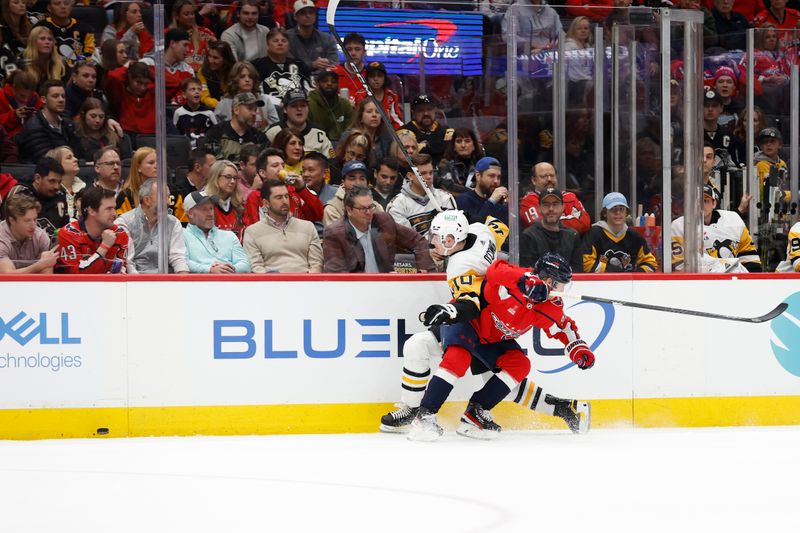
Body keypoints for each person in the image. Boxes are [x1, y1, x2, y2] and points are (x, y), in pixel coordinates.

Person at [408, 253, 594, 441]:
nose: (563, 290)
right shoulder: (517, 280)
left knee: (520, 364)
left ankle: (475, 412)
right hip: (468, 321)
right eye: (562, 284)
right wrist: (524, 281)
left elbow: (563, 327)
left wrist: (577, 348)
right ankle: (424, 416)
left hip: (492, 340)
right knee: (458, 358)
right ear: (548, 281)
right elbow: (494, 271)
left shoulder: (550, 306)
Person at [379, 209, 509, 433]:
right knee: (415, 345)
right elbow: (499, 224)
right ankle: (412, 408)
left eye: (437, 238)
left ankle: (434, 413)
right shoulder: (481, 231)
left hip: (482, 324)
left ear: (451, 240)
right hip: (487, 315)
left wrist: (448, 310)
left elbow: (469, 305)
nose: (432, 243)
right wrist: (460, 214)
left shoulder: (460, 266)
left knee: (496, 373)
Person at [323, 186, 435, 273]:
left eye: (371, 207)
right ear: (349, 210)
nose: (369, 213)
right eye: (363, 209)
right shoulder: (335, 234)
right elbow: (337, 275)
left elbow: (418, 241)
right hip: (356, 291)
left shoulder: (383, 221)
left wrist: (423, 271)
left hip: (388, 286)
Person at [672, 184, 762, 273]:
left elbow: (750, 259)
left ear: (714, 203)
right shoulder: (678, 226)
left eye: (705, 201)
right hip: (698, 284)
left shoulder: (733, 221)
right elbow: (678, 268)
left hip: (731, 283)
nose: (700, 205)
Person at [243, 178, 323, 273]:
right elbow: (256, 267)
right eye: (279, 197)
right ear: (266, 203)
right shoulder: (252, 232)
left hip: (305, 283)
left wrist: (305, 283)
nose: (285, 201)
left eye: (286, 196)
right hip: (272, 285)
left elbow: (317, 264)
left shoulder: (308, 227)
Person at [114, 178, 189, 274]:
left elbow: (178, 256)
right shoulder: (125, 223)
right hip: (137, 280)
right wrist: (141, 284)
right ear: (147, 200)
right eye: (164, 197)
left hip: (166, 280)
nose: (168, 202)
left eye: (168, 197)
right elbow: (128, 263)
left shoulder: (173, 222)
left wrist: (183, 278)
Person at [243, 147, 324, 227]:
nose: (281, 169)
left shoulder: (294, 191)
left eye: (283, 165)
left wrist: (302, 189)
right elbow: (253, 229)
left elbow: (319, 215)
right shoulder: (255, 196)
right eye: (275, 166)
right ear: (262, 173)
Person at [56, 186, 128, 274]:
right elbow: (76, 276)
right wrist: (104, 247)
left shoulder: (120, 233)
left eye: (114, 208)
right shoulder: (68, 234)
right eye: (109, 209)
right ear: (92, 211)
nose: (115, 214)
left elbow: (119, 273)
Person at [583, 192, 658, 273]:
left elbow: (651, 263)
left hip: (629, 284)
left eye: (621, 209)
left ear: (626, 213)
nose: (618, 213)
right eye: (613, 209)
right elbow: (586, 264)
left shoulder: (635, 237)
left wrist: (637, 274)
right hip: (600, 284)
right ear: (605, 213)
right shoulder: (594, 233)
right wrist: (613, 273)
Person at [387, 153, 456, 237]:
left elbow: (454, 229)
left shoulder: (444, 197)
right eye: (423, 173)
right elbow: (406, 239)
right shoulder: (397, 205)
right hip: (414, 249)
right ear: (410, 176)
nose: (429, 177)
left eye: (431, 172)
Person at [183, 190, 251, 273]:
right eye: (204, 209)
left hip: (230, 282)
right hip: (199, 284)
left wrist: (228, 270)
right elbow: (182, 262)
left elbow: (245, 264)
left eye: (211, 208)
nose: (210, 213)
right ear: (190, 213)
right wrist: (209, 269)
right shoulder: (182, 235)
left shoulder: (229, 236)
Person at [519, 188, 583, 272]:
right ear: (539, 207)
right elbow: (528, 274)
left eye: (555, 204)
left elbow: (578, 273)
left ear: (563, 207)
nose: (551, 209)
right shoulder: (529, 236)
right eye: (546, 204)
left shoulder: (572, 235)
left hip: (568, 284)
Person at [8, 156, 68, 244]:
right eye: (52, 181)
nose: (56, 187)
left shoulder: (60, 196)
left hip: (54, 248)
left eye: (59, 182)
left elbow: (65, 227)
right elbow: (7, 227)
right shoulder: (20, 193)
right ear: (37, 178)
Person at [520, 162, 591, 233]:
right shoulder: (528, 200)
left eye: (552, 175)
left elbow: (585, 223)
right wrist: (570, 217)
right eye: (544, 176)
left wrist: (553, 221)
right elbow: (541, 227)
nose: (549, 179)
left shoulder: (569, 197)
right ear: (534, 180)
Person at [17, 79, 76, 163]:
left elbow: (78, 152)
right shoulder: (34, 126)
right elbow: (46, 160)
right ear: (43, 100)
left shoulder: (67, 123)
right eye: (55, 96)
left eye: (63, 96)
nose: (61, 100)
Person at [201, 92, 268, 163]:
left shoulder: (258, 136)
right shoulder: (216, 133)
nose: (254, 113)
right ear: (236, 110)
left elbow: (264, 163)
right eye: (250, 108)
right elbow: (211, 164)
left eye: (255, 109)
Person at [252, 27, 312, 107]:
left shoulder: (299, 64)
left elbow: (309, 91)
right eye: (275, 41)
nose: (280, 43)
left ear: (289, 45)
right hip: (269, 108)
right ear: (268, 45)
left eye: (284, 41)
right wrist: (279, 103)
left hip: (296, 108)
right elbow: (255, 93)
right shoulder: (257, 65)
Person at [0, 193, 58, 273]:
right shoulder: (1, 239)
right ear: (12, 220)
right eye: (27, 221)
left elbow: (46, 277)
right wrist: (39, 265)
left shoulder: (40, 237)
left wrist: (44, 265)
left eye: (35, 219)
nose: (33, 225)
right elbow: (8, 278)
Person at [266, 88, 334, 157]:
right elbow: (263, 161)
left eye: (303, 105)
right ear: (285, 109)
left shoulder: (319, 132)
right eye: (294, 106)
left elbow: (331, 160)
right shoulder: (273, 131)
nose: (299, 109)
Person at [212, 61, 278, 130]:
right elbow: (217, 130)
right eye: (242, 77)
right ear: (235, 79)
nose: (247, 80)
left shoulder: (264, 100)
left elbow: (275, 129)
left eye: (250, 77)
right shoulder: (224, 103)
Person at [140, 28, 195, 105]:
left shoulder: (188, 70)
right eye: (185, 45)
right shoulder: (146, 63)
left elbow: (189, 99)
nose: (188, 49)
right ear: (172, 43)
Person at [322, 159, 384, 227]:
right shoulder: (333, 209)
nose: (357, 183)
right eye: (352, 178)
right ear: (343, 182)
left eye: (362, 179)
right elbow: (337, 236)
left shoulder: (376, 207)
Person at [286, 0, 338, 74]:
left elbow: (335, 64)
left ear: (315, 15)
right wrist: (312, 65)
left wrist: (326, 65)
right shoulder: (286, 38)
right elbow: (287, 65)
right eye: (303, 13)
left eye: (311, 12)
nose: (308, 15)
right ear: (295, 17)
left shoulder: (327, 38)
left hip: (322, 82)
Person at [104, 61, 156, 135]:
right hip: (128, 135)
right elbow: (113, 76)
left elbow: (163, 79)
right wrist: (126, 67)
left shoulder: (151, 91)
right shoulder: (121, 93)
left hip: (152, 136)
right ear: (130, 77)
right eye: (139, 82)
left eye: (146, 84)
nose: (142, 88)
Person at [455, 156, 509, 227]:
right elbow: (475, 226)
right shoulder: (464, 199)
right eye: (491, 176)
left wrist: (510, 207)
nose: (496, 181)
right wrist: (492, 201)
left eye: (498, 177)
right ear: (478, 176)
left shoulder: (501, 204)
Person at [402, 94, 453, 167]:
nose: (426, 113)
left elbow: (451, 149)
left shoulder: (446, 130)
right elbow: (412, 154)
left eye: (429, 109)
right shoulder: (405, 131)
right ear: (413, 113)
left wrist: (425, 146)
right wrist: (440, 145)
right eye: (420, 110)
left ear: (435, 111)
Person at [169, 0, 217, 73]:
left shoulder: (206, 33)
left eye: (192, 13)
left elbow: (218, 56)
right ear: (176, 16)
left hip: (204, 77)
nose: (191, 17)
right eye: (186, 14)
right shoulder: (167, 34)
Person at [72, 97, 127, 162]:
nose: (98, 120)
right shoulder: (76, 136)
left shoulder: (114, 135)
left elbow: (126, 161)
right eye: (93, 116)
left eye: (101, 117)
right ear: (83, 115)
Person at [353, 61, 403, 129]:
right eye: (372, 76)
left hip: (387, 133)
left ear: (384, 78)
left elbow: (397, 121)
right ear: (367, 79)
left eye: (379, 75)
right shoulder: (359, 96)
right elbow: (356, 120)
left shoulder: (391, 96)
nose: (376, 79)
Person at [204, 159, 246, 239]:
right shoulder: (204, 203)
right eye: (228, 177)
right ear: (215, 177)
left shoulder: (239, 205)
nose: (233, 181)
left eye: (235, 178)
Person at [307, 70, 353, 143]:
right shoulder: (309, 104)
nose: (329, 84)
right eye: (325, 81)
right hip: (315, 143)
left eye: (333, 82)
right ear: (317, 84)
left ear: (338, 85)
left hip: (341, 144)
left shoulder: (344, 104)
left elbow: (350, 128)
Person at [173, 148, 216, 224]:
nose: (216, 170)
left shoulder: (215, 191)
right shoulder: (176, 191)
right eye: (212, 166)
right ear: (197, 167)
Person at [173, 77, 218, 149]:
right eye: (192, 89)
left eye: (199, 89)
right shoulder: (179, 112)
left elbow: (216, 133)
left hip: (204, 150)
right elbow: (176, 135)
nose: (197, 92)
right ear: (184, 94)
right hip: (185, 150)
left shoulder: (209, 113)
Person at [437, 127, 484, 192]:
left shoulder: (481, 164)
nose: (463, 145)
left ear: (474, 146)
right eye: (459, 141)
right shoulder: (445, 164)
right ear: (454, 147)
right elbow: (447, 188)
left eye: (467, 141)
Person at [45, 145, 83, 220]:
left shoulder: (85, 187)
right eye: (69, 158)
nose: (76, 159)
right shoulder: (51, 192)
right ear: (56, 164)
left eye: (74, 156)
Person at [0, 70, 42, 138]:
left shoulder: (35, 97)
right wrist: (14, 115)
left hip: (33, 136)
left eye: (29, 96)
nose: (25, 100)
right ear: (13, 87)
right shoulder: (1, 96)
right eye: (22, 96)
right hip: (9, 140)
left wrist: (36, 117)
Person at [330, 32, 368, 106]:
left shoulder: (370, 74)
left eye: (357, 49)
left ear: (364, 52)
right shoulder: (333, 72)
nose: (353, 53)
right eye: (349, 49)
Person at [116, 146, 156, 214]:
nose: (157, 166)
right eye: (151, 163)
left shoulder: (168, 192)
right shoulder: (126, 195)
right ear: (138, 167)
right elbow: (121, 223)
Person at [0, 0, 32, 85]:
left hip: (25, 63)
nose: (21, 5)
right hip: (5, 64)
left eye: (24, 3)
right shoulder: (2, 27)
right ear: (7, 6)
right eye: (16, 2)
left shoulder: (28, 27)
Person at [198, 40, 235, 109]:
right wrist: (221, 106)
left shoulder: (235, 72)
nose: (210, 60)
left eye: (215, 58)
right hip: (210, 109)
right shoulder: (203, 72)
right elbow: (204, 97)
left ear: (225, 60)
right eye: (209, 56)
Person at [754, 126, 788, 196]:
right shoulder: (761, 164)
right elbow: (771, 192)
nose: (768, 144)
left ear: (780, 144)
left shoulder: (782, 163)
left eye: (772, 141)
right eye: (764, 142)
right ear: (760, 146)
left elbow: (785, 185)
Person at [703, 88, 733, 153]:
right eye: (706, 105)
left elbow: (733, 161)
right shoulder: (693, 134)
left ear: (721, 108)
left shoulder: (728, 134)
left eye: (714, 105)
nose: (710, 109)